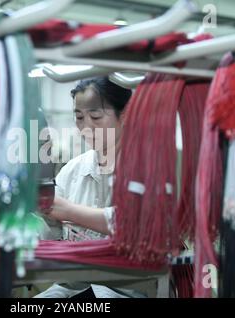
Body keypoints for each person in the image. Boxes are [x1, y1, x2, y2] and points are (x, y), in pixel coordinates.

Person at [35, 77, 148, 298]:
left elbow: (134, 225)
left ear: (124, 115)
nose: (86, 127)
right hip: (72, 286)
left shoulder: (146, 169)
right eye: (79, 117)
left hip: (128, 290)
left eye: (95, 117)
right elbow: (51, 231)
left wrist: (69, 211)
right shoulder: (73, 171)